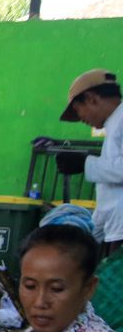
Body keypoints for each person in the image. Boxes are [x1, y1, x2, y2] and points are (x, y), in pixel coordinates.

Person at [55, 69, 121, 256]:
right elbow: (111, 195)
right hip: (114, 232)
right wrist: (92, 236)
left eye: (78, 110)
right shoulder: (114, 125)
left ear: (92, 98)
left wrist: (85, 163)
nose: (81, 118)